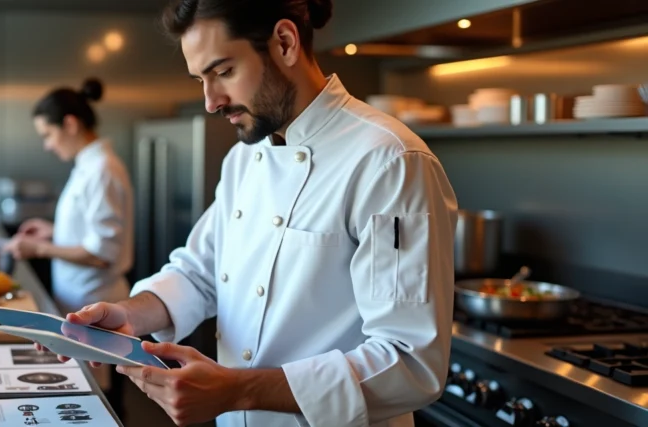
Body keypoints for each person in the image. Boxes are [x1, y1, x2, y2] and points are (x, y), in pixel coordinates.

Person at [36, 1, 459, 426]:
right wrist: (129, 314)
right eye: (201, 79)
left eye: (223, 71)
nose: (210, 101)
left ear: (285, 42)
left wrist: (239, 390)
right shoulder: (243, 158)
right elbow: (199, 273)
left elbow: (410, 362)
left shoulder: (389, 161)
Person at [4, 77, 135, 415]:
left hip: (96, 305)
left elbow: (101, 253)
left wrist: (40, 250)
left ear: (71, 124)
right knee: (91, 399)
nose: (47, 145)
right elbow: (90, 231)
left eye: (48, 134)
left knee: (104, 405)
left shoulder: (103, 169)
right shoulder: (88, 165)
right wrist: (53, 232)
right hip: (79, 301)